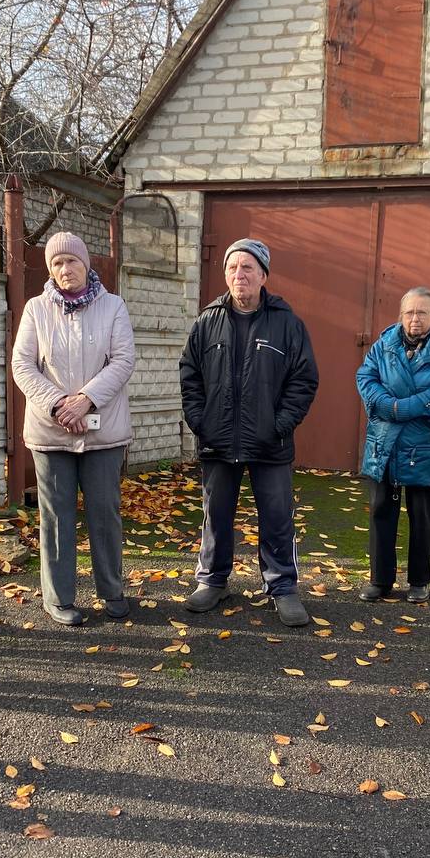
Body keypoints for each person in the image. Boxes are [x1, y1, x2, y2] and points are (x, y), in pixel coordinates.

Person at [179, 238, 319, 628]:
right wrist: (201, 421)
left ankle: (283, 587)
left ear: (263, 275)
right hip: (218, 441)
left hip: (269, 443)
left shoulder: (287, 324)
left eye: (247, 268)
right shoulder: (207, 321)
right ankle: (213, 580)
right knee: (216, 514)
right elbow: (190, 375)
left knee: (277, 516)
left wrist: (279, 425)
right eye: (232, 268)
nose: (239, 275)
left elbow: (303, 380)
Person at [11, 232, 136, 625]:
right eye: (57, 263)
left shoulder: (113, 306)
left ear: (86, 264)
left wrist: (86, 399)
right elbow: (23, 366)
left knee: (105, 513)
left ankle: (111, 590)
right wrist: (60, 405)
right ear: (50, 270)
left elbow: (122, 360)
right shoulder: (36, 309)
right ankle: (59, 598)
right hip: (51, 432)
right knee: (56, 517)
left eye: (72, 261)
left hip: (103, 430)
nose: (66, 269)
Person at [355, 287, 430, 603]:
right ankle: (380, 580)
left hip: (424, 445)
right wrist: (386, 404)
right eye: (409, 312)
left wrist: (400, 409)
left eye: (421, 312)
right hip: (384, 443)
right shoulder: (384, 344)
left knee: (421, 514)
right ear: (401, 315)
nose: (414, 318)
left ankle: (419, 580)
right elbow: (365, 377)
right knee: (380, 511)